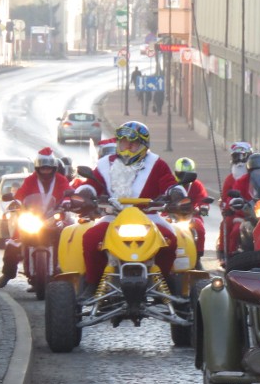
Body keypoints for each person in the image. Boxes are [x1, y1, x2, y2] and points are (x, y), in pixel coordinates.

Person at [74, 121, 181, 299]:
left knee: (169, 240)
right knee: (91, 238)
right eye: (124, 143)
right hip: (114, 217)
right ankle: (93, 284)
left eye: (133, 144)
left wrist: (176, 194)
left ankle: (163, 281)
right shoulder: (104, 164)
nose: (127, 148)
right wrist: (85, 194)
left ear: (143, 145)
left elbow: (169, 184)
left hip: (148, 217)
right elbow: (92, 184)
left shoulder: (157, 164)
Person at [0, 147, 71, 289]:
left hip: (53, 217)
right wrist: (16, 202)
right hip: (32, 217)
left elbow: (67, 190)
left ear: (54, 168)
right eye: (43, 169)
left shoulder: (61, 180)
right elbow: (21, 194)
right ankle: (8, 273)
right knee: (13, 244)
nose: (46, 171)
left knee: (68, 238)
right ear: (37, 168)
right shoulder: (30, 180)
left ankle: (64, 271)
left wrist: (67, 200)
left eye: (49, 168)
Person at [217, 141, 253, 261]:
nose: (239, 161)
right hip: (238, 213)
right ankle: (228, 254)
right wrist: (228, 206)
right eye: (236, 157)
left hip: (256, 212)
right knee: (229, 226)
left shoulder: (256, 176)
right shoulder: (230, 179)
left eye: (242, 157)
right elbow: (226, 197)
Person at [174, 157, 208, 259]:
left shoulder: (197, 185)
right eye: (182, 174)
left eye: (188, 174)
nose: (185, 177)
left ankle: (198, 257)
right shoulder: (170, 183)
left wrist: (203, 207)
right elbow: (162, 196)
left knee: (200, 228)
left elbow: (202, 198)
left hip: (191, 215)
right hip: (172, 215)